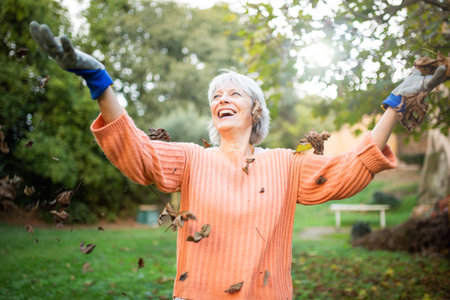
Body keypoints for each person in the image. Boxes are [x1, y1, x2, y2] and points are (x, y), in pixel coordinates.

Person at [29, 21, 439, 300]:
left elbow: (351, 167)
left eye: (233, 94)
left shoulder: (286, 164)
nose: (221, 100)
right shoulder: (192, 159)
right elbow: (139, 153)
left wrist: (396, 105)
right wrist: (99, 81)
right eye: (215, 97)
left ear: (255, 110)